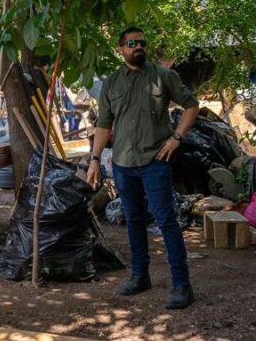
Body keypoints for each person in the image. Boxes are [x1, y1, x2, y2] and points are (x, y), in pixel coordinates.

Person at [85, 26, 200, 310]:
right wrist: (95, 159)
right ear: (120, 49)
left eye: (142, 43)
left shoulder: (163, 76)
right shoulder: (111, 83)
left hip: (155, 162)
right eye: (131, 43)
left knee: (166, 222)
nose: (138, 47)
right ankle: (140, 276)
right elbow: (103, 124)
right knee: (133, 220)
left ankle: (182, 285)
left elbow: (191, 105)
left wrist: (176, 138)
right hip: (123, 164)